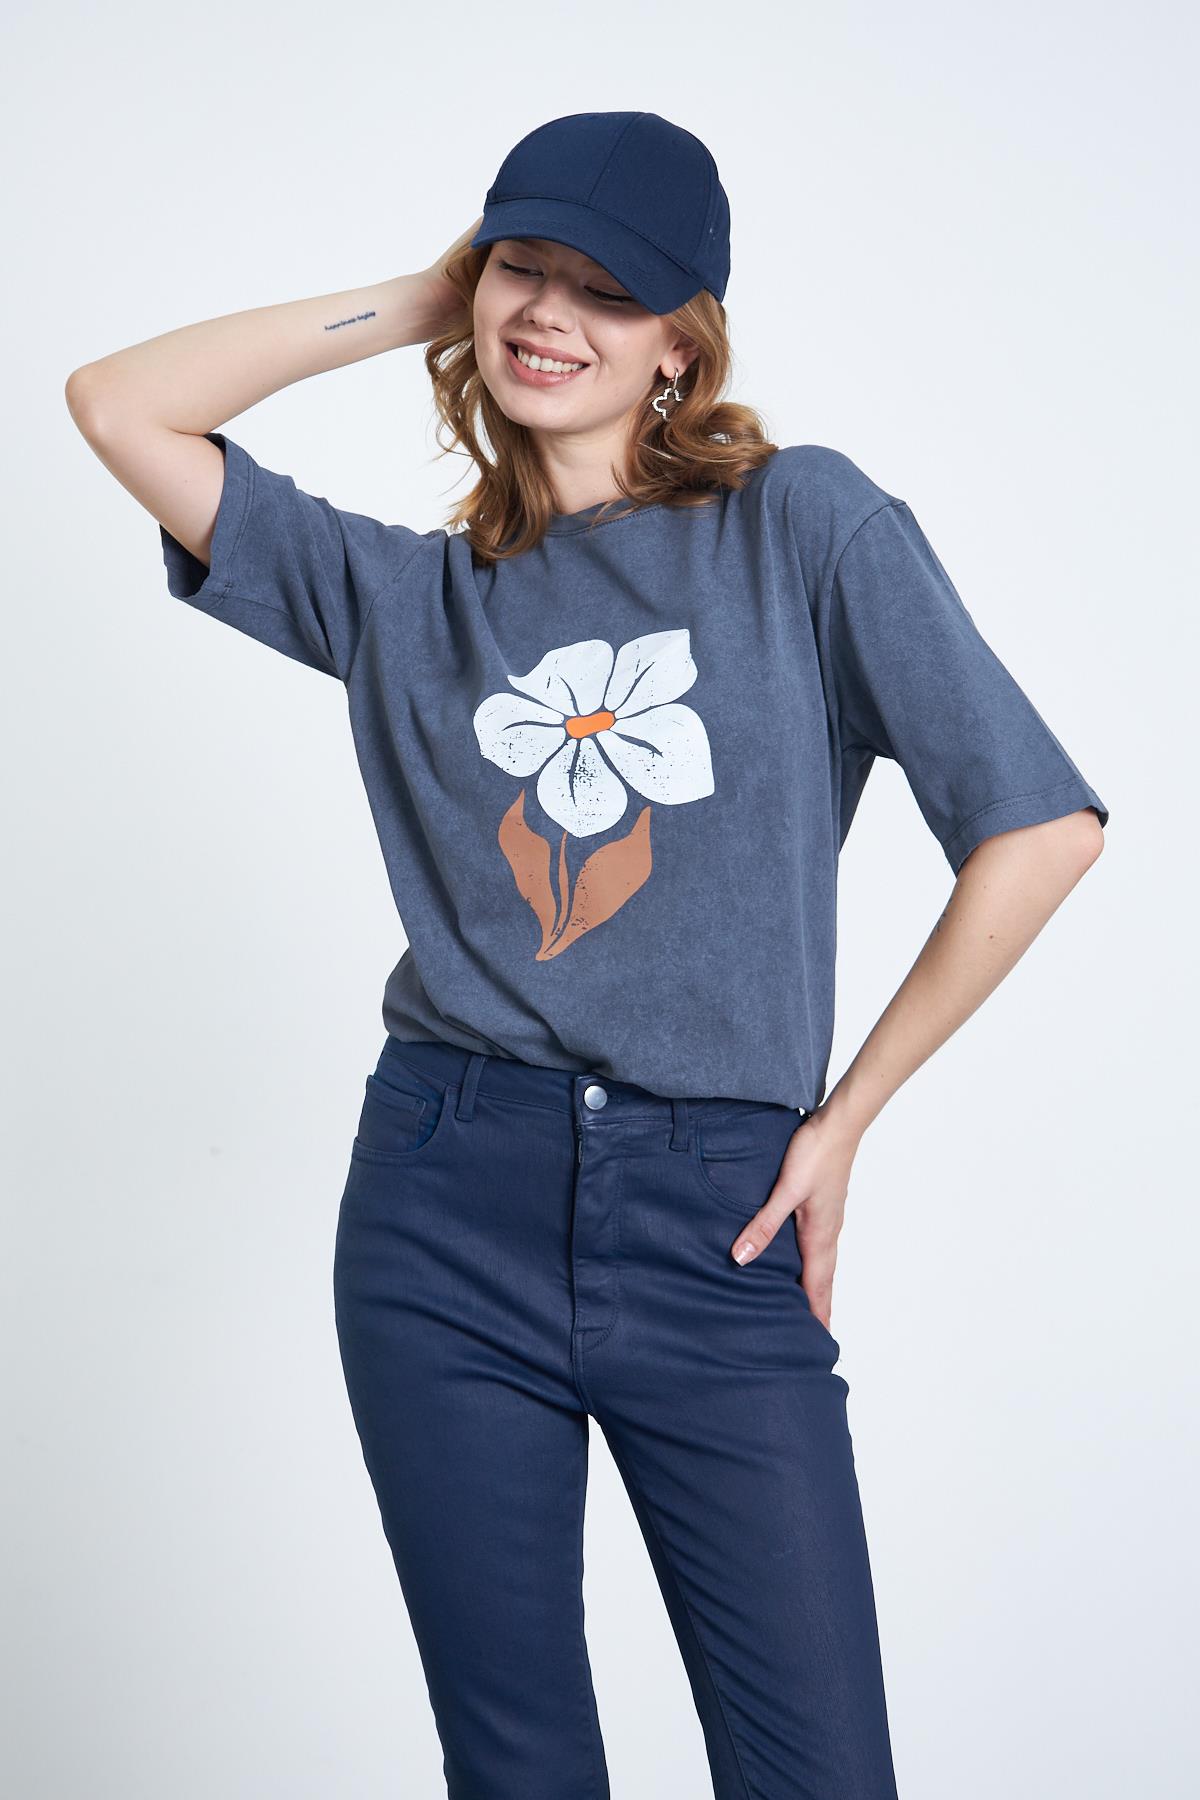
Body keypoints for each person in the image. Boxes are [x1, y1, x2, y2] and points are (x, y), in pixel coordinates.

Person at [65, 110, 1108, 1800]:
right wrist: (432, 296)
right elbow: (119, 404)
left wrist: (845, 1120)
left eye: (609, 290)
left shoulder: (800, 528)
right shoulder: (408, 597)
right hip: (441, 1205)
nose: (554, 313)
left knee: (819, 1772)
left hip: (715, 1214)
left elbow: (1040, 827)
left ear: (683, 340)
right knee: (519, 1768)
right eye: (527, 270)